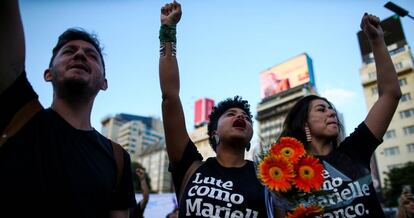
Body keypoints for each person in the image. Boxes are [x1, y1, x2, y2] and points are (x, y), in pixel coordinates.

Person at [0, 1, 136, 217]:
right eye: (69, 51)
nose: (80, 55)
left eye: (92, 55)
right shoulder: (19, 115)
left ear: (104, 83)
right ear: (48, 74)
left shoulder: (118, 158)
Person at [276, 13, 402, 217]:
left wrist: (376, 40)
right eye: (321, 109)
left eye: (331, 108)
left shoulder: (354, 151)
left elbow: (390, 94)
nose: (332, 112)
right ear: (304, 123)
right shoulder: (288, 172)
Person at [158, 1, 267, 217]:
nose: (240, 117)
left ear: (250, 137)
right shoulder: (191, 166)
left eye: (246, 117)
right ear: (214, 131)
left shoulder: (267, 178)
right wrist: (168, 30)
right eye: (231, 114)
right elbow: (170, 96)